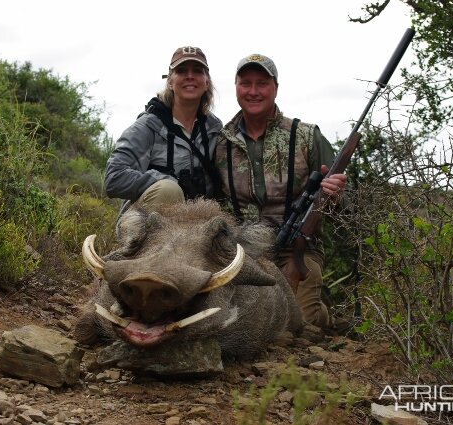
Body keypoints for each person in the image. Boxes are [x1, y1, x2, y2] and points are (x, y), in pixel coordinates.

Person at [215, 53, 347, 331]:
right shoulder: (219, 142)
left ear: (275, 87)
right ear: (236, 87)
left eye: (262, 83)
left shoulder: (307, 136)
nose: (253, 91)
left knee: (299, 324)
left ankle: (326, 314)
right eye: (245, 83)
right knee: (230, 323)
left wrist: (336, 195)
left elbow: (344, 205)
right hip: (242, 252)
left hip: (296, 250)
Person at [104, 46, 223, 210]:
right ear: (170, 82)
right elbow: (113, 179)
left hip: (197, 223)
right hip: (147, 224)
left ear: (206, 82)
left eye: (197, 71)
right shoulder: (146, 127)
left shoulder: (215, 130)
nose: (190, 76)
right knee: (169, 191)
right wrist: (168, 182)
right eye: (181, 71)